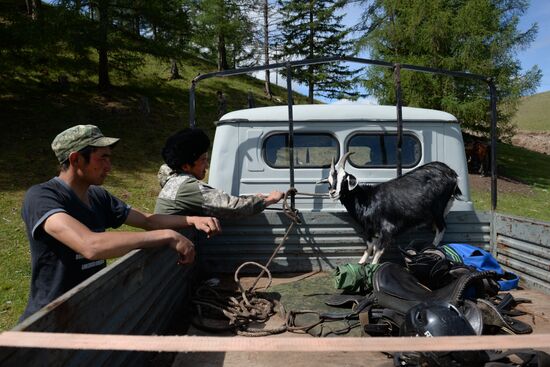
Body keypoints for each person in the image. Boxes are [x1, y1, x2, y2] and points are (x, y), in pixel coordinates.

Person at [20, 125, 221, 320]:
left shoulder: (98, 197)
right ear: (76, 159)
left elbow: (147, 220)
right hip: (51, 317)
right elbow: (90, 245)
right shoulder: (42, 197)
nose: (109, 166)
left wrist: (192, 219)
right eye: (103, 158)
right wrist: (166, 235)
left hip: (88, 309)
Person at [155, 128, 284, 218]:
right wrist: (269, 200)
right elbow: (232, 207)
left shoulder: (175, 180)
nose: (207, 165)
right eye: (203, 160)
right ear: (186, 166)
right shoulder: (186, 187)